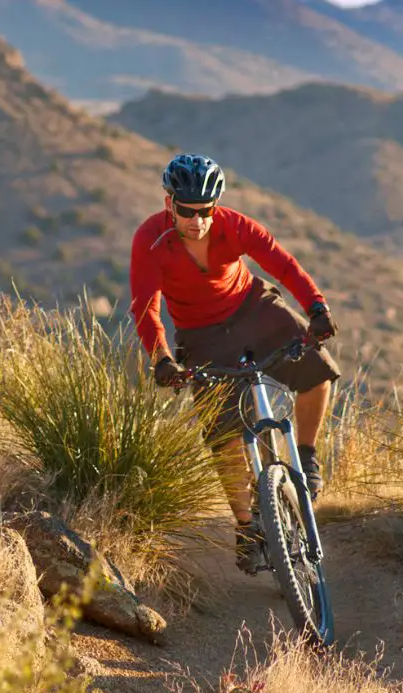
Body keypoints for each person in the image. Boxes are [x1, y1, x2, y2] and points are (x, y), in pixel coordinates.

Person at [128, 153, 341, 575]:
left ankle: (306, 455)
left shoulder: (234, 225)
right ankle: (247, 529)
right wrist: (162, 358)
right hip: (201, 334)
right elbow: (146, 307)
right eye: (186, 210)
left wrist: (316, 306)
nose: (197, 220)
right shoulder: (150, 238)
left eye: (205, 210)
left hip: (252, 309)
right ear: (169, 201)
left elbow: (282, 263)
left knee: (317, 370)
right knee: (223, 435)